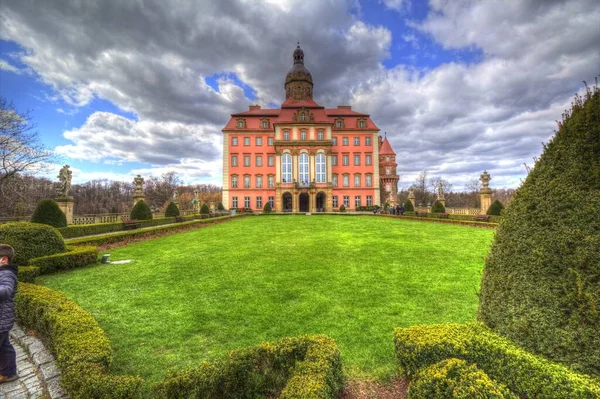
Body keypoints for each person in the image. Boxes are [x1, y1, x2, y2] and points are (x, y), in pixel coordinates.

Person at [0, 244, 18, 383]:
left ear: (4, 259)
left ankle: (8, 372)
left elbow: (6, 291)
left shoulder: (7, 274)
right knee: (5, 346)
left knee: (4, 345)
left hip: (2, 319)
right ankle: (9, 372)